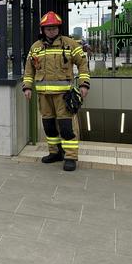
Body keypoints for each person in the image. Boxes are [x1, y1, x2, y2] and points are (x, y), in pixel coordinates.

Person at [23, 11, 90, 171]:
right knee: (49, 126)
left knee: (67, 127)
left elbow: (82, 63)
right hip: (44, 97)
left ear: (58, 28)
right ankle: (55, 153)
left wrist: (84, 84)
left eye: (53, 28)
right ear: (42, 30)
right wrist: (27, 87)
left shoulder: (70, 44)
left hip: (63, 96)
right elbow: (28, 70)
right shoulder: (35, 48)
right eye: (48, 28)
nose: (51, 31)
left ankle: (70, 157)